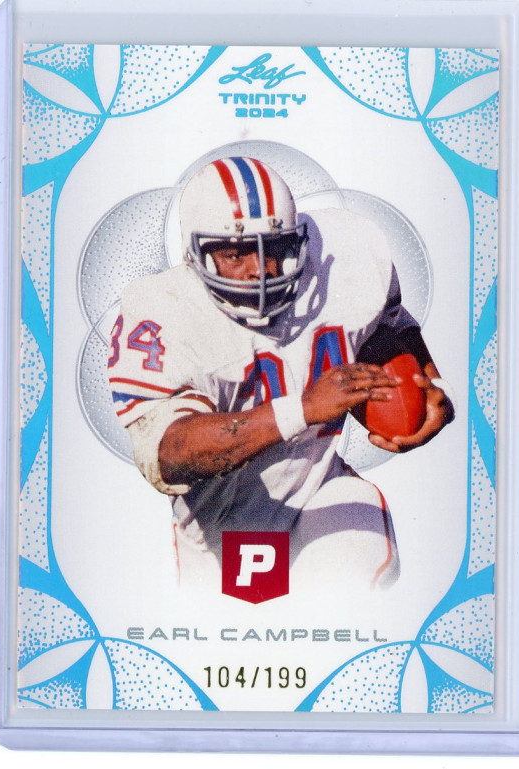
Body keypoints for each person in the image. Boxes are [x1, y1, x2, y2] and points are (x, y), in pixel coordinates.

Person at [107, 157, 454, 589]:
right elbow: (171, 453)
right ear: (195, 255)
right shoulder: (163, 312)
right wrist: (302, 409)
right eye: (235, 253)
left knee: (357, 573)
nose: (260, 269)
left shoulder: (346, 253)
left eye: (274, 247)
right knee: (238, 620)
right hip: (221, 526)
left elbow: (388, 326)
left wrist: (433, 391)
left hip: (319, 491)